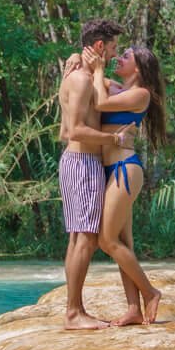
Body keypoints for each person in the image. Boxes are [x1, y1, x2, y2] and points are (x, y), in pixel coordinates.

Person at [56, 19, 137, 330]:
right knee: (87, 238)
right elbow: (72, 130)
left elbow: (66, 127)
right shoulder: (80, 80)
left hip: (79, 163)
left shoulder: (82, 76)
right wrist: (113, 140)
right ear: (100, 46)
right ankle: (74, 313)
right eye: (114, 47)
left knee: (79, 237)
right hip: (82, 163)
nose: (116, 54)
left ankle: (74, 310)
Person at [88, 43, 167, 327]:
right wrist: (86, 62)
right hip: (112, 170)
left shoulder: (141, 94)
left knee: (106, 240)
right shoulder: (120, 88)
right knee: (124, 244)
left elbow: (100, 103)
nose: (118, 60)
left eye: (125, 57)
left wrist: (98, 70)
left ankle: (150, 292)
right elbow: (94, 81)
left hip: (124, 169)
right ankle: (133, 308)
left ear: (140, 67)